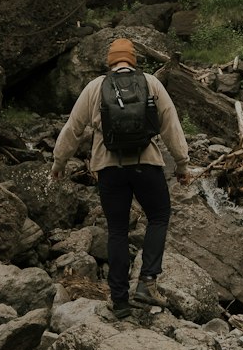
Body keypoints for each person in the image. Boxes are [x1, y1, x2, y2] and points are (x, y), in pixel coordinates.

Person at [50, 36, 190, 320]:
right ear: (133, 59)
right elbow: (170, 125)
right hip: (146, 163)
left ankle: (120, 302)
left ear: (110, 61)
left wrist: (59, 162)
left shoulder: (94, 87)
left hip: (108, 168)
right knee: (159, 216)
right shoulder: (151, 83)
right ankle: (147, 282)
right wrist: (182, 163)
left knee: (117, 231)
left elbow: (72, 128)